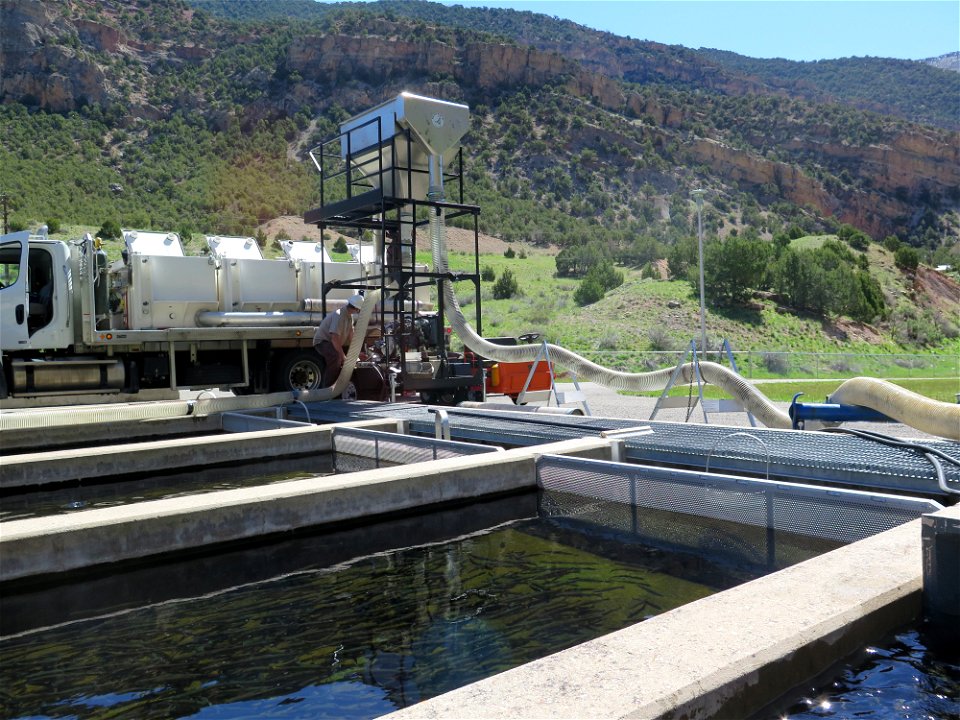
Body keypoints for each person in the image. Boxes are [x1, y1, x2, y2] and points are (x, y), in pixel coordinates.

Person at [313, 294, 364, 387]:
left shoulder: (349, 316)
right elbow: (334, 338)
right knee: (336, 357)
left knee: (340, 359)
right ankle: (327, 389)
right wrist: (343, 356)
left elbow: (351, 334)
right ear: (357, 308)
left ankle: (337, 387)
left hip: (331, 342)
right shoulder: (339, 315)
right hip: (322, 342)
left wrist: (357, 352)